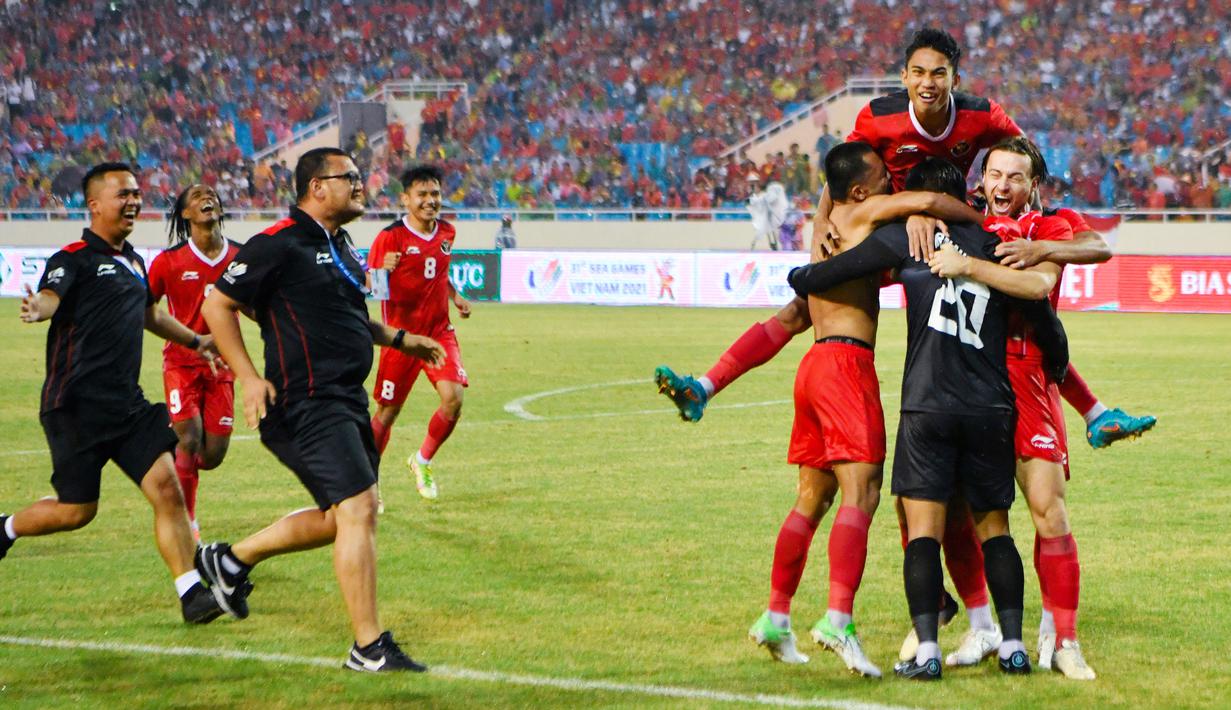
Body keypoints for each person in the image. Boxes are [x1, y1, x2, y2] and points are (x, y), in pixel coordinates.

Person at [654, 26, 1154, 446]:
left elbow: (1025, 155)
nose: (927, 83)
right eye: (918, 72)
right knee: (804, 309)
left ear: (955, 78)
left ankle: (1094, 414)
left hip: (956, 226)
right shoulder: (879, 116)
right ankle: (705, 386)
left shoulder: (982, 114)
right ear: (904, 77)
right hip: (895, 230)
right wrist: (822, 224)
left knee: (1021, 318)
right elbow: (841, 171)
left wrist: (1027, 214)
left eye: (938, 73)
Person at [788, 157, 1072, 680]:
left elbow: (829, 273)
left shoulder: (906, 240)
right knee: (996, 530)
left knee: (922, 533)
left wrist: (800, 272)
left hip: (928, 406)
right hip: (990, 407)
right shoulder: (994, 245)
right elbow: (1042, 317)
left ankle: (927, 654)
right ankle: (1013, 646)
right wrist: (1057, 358)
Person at [199, 147, 446, 671]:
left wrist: (403, 340)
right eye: (349, 177)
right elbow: (217, 303)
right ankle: (368, 647)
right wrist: (248, 377)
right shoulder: (278, 242)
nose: (360, 185)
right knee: (358, 509)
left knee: (345, 516)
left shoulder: (342, 245)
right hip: (305, 401)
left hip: (346, 398)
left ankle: (231, 560)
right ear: (316, 187)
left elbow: (350, 319)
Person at [747, 143, 985, 678]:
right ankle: (838, 620)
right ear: (858, 190)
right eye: (881, 177)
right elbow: (927, 199)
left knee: (812, 499)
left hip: (812, 367)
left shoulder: (830, 226)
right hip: (846, 367)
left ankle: (776, 616)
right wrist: (973, 219)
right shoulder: (865, 212)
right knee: (865, 493)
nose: (889, 184)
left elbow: (794, 314)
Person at [2, 162, 226, 624]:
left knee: (167, 488)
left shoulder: (135, 261)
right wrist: (39, 307)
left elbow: (149, 315)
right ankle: (5, 529)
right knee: (77, 511)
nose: (133, 201)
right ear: (94, 204)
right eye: (123, 194)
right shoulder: (73, 257)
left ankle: (191, 594)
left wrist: (196, 341)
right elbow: (51, 296)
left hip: (127, 405)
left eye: (136, 193)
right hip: (75, 406)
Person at [926, 137, 1097, 679]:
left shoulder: (1049, 228)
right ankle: (983, 625)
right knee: (954, 509)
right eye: (995, 174)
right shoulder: (966, 222)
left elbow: (1039, 285)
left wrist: (975, 266)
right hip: (969, 375)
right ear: (982, 179)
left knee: (1049, 509)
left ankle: (1064, 639)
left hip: (1026, 377)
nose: (1002, 185)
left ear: (1032, 185)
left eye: (1015, 177)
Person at [367, 165, 472, 501]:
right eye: (422, 194)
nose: (430, 200)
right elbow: (375, 290)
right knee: (388, 413)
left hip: (439, 332)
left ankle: (422, 460)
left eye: (435, 194)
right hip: (400, 338)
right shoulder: (389, 238)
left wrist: (455, 296)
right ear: (406, 199)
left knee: (453, 399)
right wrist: (383, 271)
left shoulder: (447, 232)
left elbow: (439, 271)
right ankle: (368, 484)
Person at [147, 184, 240, 542]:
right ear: (185, 213)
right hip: (181, 363)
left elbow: (257, 303)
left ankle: (174, 460)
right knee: (190, 437)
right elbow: (146, 309)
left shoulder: (239, 256)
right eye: (198, 196)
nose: (208, 198)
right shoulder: (168, 262)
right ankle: (187, 523)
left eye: (212, 195)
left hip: (222, 366)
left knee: (212, 455)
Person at [747, 172, 788, 250]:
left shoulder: (773, 189)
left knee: (771, 230)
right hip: (766, 215)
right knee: (765, 230)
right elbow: (758, 201)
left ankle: (773, 244)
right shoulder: (765, 192)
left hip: (771, 215)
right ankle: (756, 244)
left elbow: (770, 199)